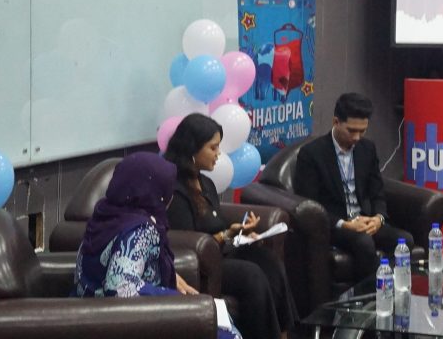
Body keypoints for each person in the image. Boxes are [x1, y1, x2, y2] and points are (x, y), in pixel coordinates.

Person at [72, 152, 240, 339]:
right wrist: (175, 299)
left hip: (88, 316)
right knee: (223, 329)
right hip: (124, 323)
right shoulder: (141, 229)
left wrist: (169, 274)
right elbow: (121, 287)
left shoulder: (106, 214)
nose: (170, 196)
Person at [164, 113, 296, 339]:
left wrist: (242, 232)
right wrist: (227, 234)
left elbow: (218, 227)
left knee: (270, 262)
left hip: (223, 251)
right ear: (192, 149)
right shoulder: (175, 190)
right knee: (252, 274)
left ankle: (287, 334)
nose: (218, 154)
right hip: (204, 265)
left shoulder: (206, 183)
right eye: (213, 148)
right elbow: (193, 244)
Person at [293, 92, 415, 282]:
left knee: (404, 240)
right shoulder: (311, 154)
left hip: (365, 219)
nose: (357, 137)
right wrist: (344, 224)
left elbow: (377, 191)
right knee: (363, 242)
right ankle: (373, 293)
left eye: (362, 131)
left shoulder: (367, 148)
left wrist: (379, 218)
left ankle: (395, 288)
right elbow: (310, 202)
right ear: (336, 122)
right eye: (351, 131)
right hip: (336, 224)